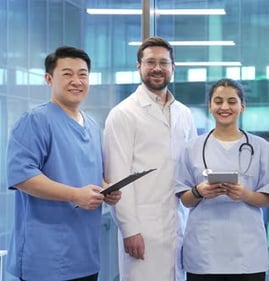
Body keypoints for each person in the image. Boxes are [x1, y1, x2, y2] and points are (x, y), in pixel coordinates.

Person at [5, 46, 121, 281]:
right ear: (49, 79)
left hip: (85, 254)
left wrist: (106, 189)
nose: (76, 81)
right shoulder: (35, 121)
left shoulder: (91, 125)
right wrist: (75, 195)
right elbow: (22, 177)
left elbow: (87, 172)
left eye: (83, 74)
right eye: (67, 74)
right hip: (46, 257)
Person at [102, 36, 197, 281]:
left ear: (173, 68)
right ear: (139, 67)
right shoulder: (123, 114)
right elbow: (118, 177)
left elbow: (191, 168)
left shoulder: (184, 114)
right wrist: (129, 229)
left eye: (164, 63)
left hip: (179, 223)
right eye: (150, 62)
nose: (157, 68)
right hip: (143, 227)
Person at [175, 78, 269, 281]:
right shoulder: (192, 148)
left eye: (231, 101)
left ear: (242, 106)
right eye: (218, 101)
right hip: (204, 253)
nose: (224, 107)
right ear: (210, 106)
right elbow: (184, 199)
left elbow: (267, 198)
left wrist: (245, 194)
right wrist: (199, 191)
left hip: (247, 253)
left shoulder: (261, 147)